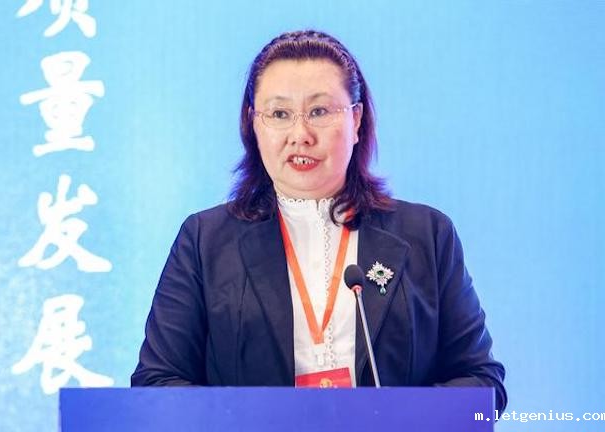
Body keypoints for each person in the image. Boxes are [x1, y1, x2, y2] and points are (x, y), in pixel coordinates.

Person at [131, 29, 507, 413]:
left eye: (319, 111)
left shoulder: (426, 234)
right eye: (279, 114)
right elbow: (157, 382)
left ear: (356, 119)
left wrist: (393, 418)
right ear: (253, 124)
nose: (301, 135)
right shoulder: (205, 241)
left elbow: (482, 383)